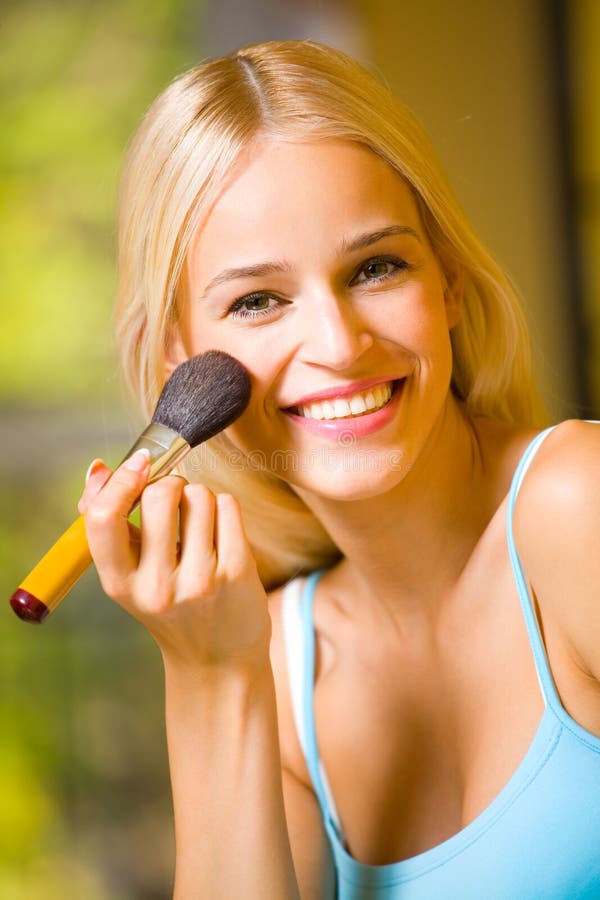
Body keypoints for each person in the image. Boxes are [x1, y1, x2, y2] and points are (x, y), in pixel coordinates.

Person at [77, 40, 600, 899]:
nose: (338, 345)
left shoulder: (577, 505)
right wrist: (214, 679)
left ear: (450, 286)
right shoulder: (275, 656)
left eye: (376, 267)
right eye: (258, 300)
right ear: (179, 361)